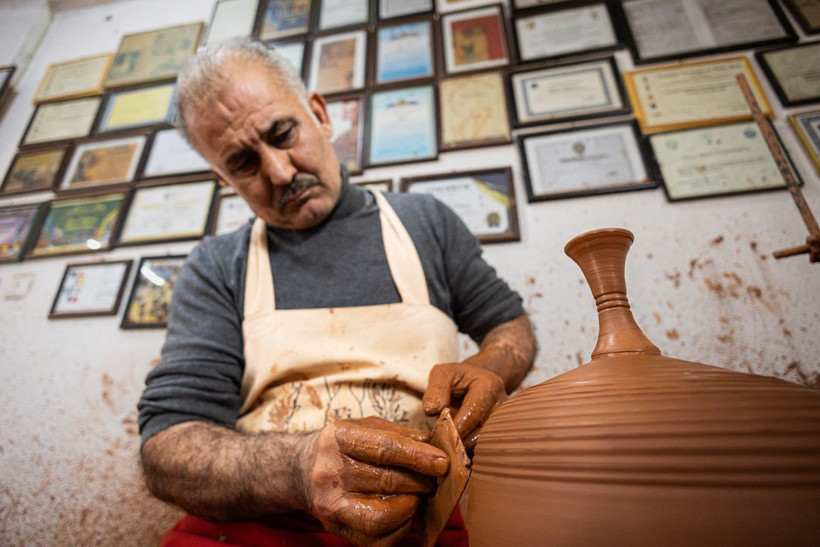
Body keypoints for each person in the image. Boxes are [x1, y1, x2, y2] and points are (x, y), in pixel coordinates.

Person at [137, 38, 536, 547]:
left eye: (283, 133)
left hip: (427, 511)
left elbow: (510, 327)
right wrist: (298, 468)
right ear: (223, 178)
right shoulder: (217, 266)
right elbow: (168, 444)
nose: (280, 172)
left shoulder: (426, 222)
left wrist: (493, 365)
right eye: (243, 162)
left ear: (320, 114)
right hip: (267, 523)